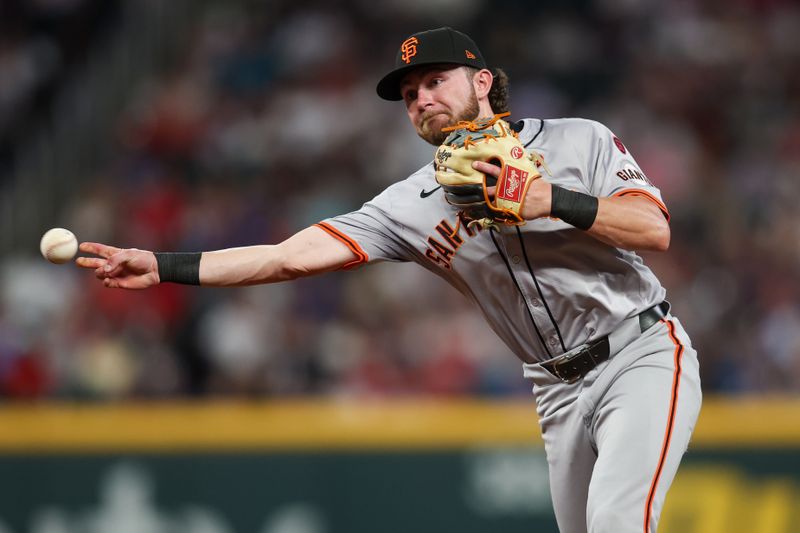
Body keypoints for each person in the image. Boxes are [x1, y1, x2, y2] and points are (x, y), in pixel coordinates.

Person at [77, 27, 702, 533]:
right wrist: (164, 265)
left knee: (618, 523)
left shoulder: (576, 140)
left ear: (482, 82)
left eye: (436, 80)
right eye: (409, 94)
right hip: (555, 389)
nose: (422, 98)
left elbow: (654, 229)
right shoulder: (411, 204)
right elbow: (287, 257)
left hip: (639, 352)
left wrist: (549, 200)